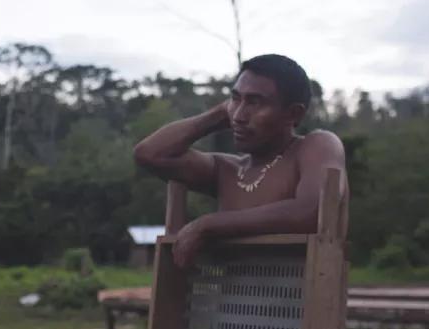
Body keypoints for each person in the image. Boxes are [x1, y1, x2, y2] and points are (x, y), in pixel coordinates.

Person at [133, 54, 348, 268]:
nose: (238, 116)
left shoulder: (316, 147)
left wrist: (210, 224)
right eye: (235, 98)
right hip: (226, 301)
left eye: (255, 102)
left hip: (307, 299)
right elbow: (150, 154)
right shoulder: (227, 170)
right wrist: (220, 114)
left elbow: (316, 212)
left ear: (293, 114)